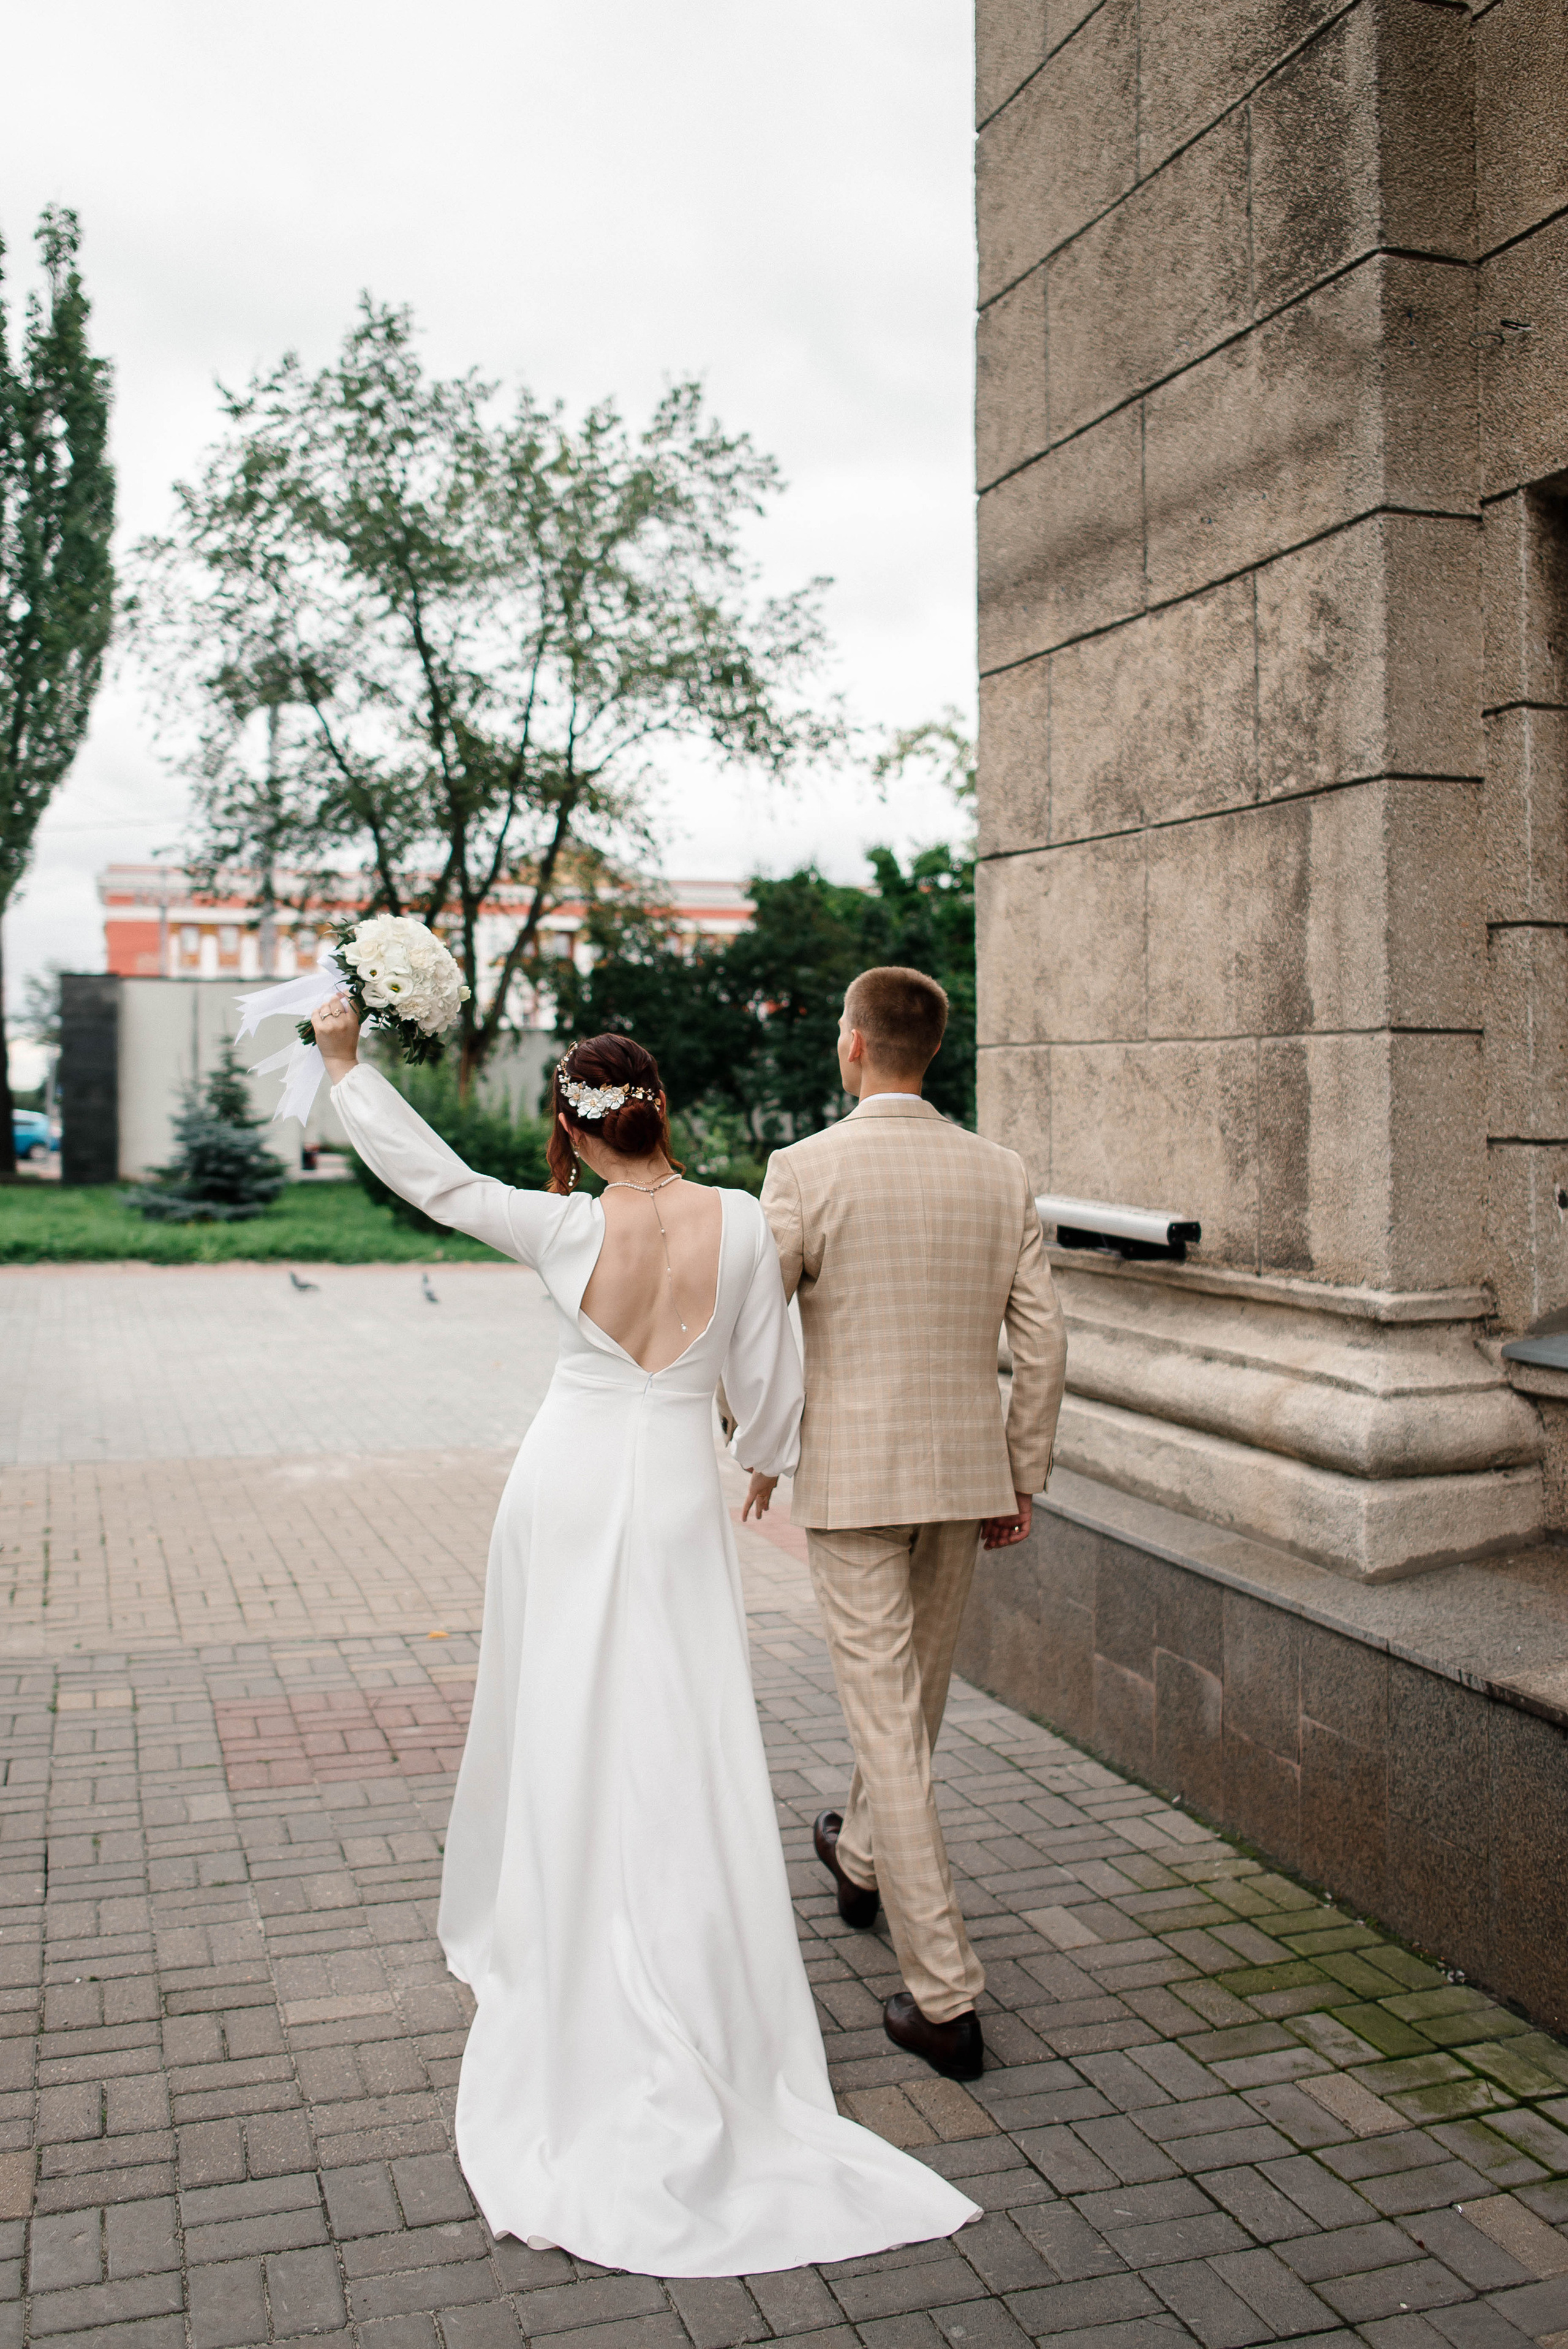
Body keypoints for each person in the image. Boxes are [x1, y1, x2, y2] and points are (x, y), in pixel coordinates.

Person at [310, 999, 980, 2277]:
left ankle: (561, 1916)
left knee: (559, 1708)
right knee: (677, 1724)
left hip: (561, 1487)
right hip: (675, 1490)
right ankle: (687, 1955)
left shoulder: (557, 1224)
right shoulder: (742, 1221)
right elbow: (773, 1381)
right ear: (660, 1107)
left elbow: (432, 1180)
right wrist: (764, 1461)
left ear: (572, 1124)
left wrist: (347, 1071)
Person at [753, 966, 1067, 2085]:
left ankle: (945, 1995)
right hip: (963, 1475)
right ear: (929, 1050)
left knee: (892, 1722)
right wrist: (1020, 1468)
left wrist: (756, 1439)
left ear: (851, 1045)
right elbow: (1044, 1340)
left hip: (853, 1482)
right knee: (911, 1702)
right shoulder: (999, 1172)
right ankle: (862, 1858)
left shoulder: (804, 1169)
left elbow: (760, 1324)